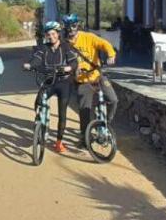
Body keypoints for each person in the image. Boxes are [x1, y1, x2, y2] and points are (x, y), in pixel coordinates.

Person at [62, 13, 118, 146]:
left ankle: (106, 124)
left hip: (97, 75)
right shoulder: (64, 44)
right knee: (85, 110)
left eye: (74, 26)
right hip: (82, 80)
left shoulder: (88, 37)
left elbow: (104, 44)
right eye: (69, 27)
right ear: (65, 28)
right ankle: (85, 137)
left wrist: (111, 55)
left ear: (77, 25)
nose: (71, 29)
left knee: (113, 100)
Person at [23, 21, 78, 153]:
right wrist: (30, 65)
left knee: (62, 113)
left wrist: (70, 67)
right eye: (48, 34)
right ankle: (40, 123)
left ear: (58, 34)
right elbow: (36, 59)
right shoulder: (43, 47)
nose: (51, 36)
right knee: (38, 101)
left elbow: (74, 61)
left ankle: (59, 142)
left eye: (53, 34)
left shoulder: (66, 47)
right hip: (49, 81)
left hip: (64, 83)